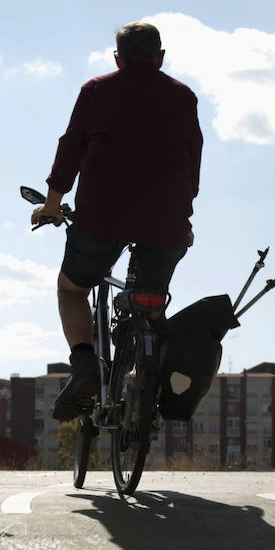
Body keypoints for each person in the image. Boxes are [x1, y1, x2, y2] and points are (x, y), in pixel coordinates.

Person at [31, 21, 204, 420]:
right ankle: (148, 388)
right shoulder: (183, 97)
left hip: (101, 216)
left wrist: (52, 205)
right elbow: (192, 160)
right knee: (153, 306)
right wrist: (185, 218)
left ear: (117, 59)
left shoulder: (97, 91)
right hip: (166, 221)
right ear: (161, 57)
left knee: (71, 289)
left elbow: (70, 150)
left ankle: (85, 365)